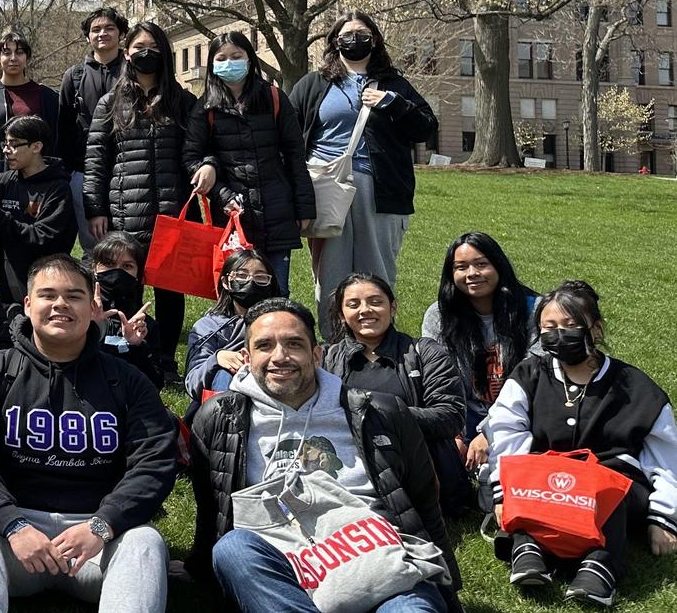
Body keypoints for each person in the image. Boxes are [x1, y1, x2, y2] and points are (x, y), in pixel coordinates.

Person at [187, 298, 459, 613]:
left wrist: (449, 583)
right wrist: (197, 564)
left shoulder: (380, 411)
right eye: (265, 346)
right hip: (287, 566)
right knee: (233, 548)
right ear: (246, 358)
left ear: (317, 354)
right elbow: (211, 508)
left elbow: (424, 504)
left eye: (293, 344)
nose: (280, 357)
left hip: (380, 564)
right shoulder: (219, 418)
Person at [0, 254, 176, 612]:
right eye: (48, 295)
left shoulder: (127, 380)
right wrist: (13, 525)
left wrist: (103, 525)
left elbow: (155, 460)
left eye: (74, 296)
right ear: (27, 304)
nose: (60, 305)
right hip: (15, 540)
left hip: (96, 539)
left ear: (93, 303)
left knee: (144, 540)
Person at [487, 280, 677, 606]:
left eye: (571, 325)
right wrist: (504, 491)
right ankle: (529, 549)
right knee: (530, 482)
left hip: (615, 486)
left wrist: (663, 518)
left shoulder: (635, 385)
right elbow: (506, 432)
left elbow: (666, 455)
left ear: (596, 328)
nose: (559, 335)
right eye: (549, 328)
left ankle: (601, 566)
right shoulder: (529, 375)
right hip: (547, 481)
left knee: (608, 488)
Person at [290, 12, 438, 338]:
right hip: (326, 189)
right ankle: (335, 348)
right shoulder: (314, 84)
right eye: (347, 34)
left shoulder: (394, 84)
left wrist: (394, 104)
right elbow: (287, 136)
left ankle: (378, 347)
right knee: (331, 277)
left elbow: (426, 128)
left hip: (380, 191)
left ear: (375, 40)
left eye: (362, 33)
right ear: (334, 41)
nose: (354, 39)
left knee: (377, 273)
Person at [82, 21, 193, 383]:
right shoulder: (110, 102)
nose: (146, 54)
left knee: (170, 291)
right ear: (127, 53)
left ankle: (165, 360)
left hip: (170, 211)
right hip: (123, 211)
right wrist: (95, 209)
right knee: (122, 286)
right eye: (139, 47)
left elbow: (193, 153)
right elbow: (97, 159)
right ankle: (119, 351)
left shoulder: (182, 100)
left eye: (153, 47)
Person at [320, 273, 472, 516]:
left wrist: (373, 416)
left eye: (375, 301)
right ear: (341, 315)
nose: (365, 310)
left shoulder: (424, 353)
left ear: (392, 307)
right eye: (353, 304)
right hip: (351, 469)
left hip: (418, 469)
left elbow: (450, 415)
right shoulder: (327, 360)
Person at [184, 31, 313, 295]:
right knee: (238, 292)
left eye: (236, 56)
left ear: (250, 59)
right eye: (221, 58)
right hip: (232, 215)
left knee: (277, 290)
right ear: (212, 64)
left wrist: (304, 206)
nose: (229, 63)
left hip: (276, 209)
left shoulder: (275, 99)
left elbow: (295, 156)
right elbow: (191, 157)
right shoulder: (205, 108)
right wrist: (220, 190)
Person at [421, 232, 538, 477]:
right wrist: (454, 432)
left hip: (522, 414)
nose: (471, 273)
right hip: (466, 414)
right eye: (461, 267)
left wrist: (490, 430)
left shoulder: (534, 311)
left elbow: (534, 379)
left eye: (481, 264)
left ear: (499, 266)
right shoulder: (439, 316)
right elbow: (439, 379)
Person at [0, 116, 74, 303]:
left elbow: (42, 237)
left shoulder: (58, 189)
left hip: (45, 288)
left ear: (36, 147)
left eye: (14, 144)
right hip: (6, 288)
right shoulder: (2, 181)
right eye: (5, 143)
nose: (6, 150)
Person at [56, 7, 131, 251]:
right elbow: (64, 128)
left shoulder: (134, 71)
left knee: (129, 246)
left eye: (109, 28)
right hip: (84, 173)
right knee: (94, 247)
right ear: (87, 36)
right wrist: (69, 171)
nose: (102, 34)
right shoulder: (74, 76)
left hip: (129, 172)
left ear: (121, 33)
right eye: (95, 29)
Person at [183, 250, 276, 415]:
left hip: (271, 395)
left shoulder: (281, 323)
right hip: (222, 406)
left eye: (260, 277)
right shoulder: (208, 326)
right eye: (242, 275)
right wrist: (217, 359)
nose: (251, 281)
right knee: (223, 374)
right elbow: (192, 383)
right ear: (226, 282)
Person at [0, 30, 61, 175]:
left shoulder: (47, 96)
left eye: (19, 53)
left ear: (27, 58)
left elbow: (56, 140)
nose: (13, 58)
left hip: (39, 178)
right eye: (6, 53)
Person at [88, 233, 163, 388]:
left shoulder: (145, 326)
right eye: (108, 264)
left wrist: (137, 346)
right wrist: (92, 331)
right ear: (95, 268)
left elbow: (155, 384)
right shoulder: (79, 317)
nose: (117, 273)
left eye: (127, 266)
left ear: (138, 274)